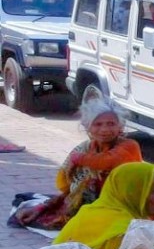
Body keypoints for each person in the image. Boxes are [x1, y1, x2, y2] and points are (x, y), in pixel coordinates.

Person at [10, 97, 142, 231]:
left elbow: (104, 162)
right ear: (87, 127)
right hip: (97, 202)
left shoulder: (129, 146)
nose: (105, 129)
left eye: (111, 124)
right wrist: (48, 205)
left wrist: (77, 159)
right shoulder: (87, 147)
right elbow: (65, 183)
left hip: (125, 204)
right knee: (59, 210)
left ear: (120, 127)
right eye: (98, 124)